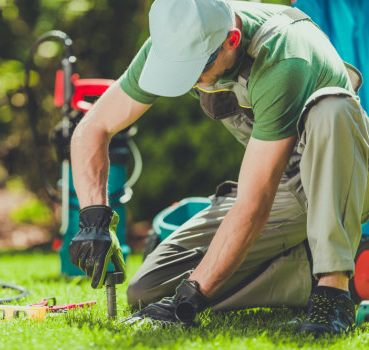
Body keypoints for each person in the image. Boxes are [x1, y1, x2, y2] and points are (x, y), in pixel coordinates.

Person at [68, 0, 369, 336]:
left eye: (198, 67)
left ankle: (333, 290)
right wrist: (94, 218)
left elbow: (254, 205)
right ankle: (343, 264)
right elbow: (92, 128)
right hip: (284, 187)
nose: (191, 80)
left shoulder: (284, 56)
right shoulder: (176, 37)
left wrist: (192, 296)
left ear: (232, 40)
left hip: (343, 179)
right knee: (149, 290)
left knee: (332, 108)